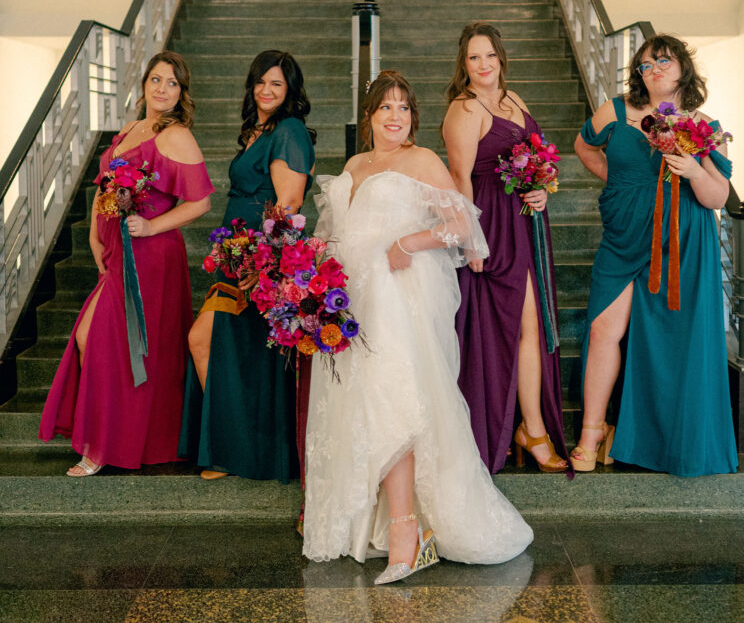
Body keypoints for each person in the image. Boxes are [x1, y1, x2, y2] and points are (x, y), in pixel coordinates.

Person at [303, 70, 533, 581]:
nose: (394, 116)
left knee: (394, 401)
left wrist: (409, 244)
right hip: (350, 303)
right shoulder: (358, 163)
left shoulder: (422, 160)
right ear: (369, 116)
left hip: (395, 299)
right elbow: (336, 230)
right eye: (385, 107)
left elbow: (463, 224)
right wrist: (311, 266)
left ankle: (408, 530)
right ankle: (382, 520)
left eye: (403, 108)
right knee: (361, 404)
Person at [39, 51, 214, 475]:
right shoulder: (132, 129)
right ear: (144, 85)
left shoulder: (176, 136)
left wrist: (152, 228)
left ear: (181, 92)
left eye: (172, 83)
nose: (162, 88)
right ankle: (120, 438)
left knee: (96, 338)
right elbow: (107, 188)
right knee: (105, 341)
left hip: (151, 257)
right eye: (156, 79)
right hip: (118, 253)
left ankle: (101, 447)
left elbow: (201, 201)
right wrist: (93, 235)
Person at [571, 34, 737, 476]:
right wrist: (618, 182)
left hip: (680, 242)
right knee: (604, 326)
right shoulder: (617, 110)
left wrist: (693, 168)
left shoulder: (706, 126)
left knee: (673, 342)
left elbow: (717, 196)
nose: (653, 69)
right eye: (645, 65)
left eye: (662, 61)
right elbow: (583, 146)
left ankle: (666, 441)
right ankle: (592, 431)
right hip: (624, 235)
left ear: (683, 67)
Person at [179, 50, 316, 482]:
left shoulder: (289, 131)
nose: (266, 90)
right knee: (230, 350)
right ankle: (236, 446)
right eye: (260, 81)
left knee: (206, 340)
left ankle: (237, 448)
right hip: (237, 256)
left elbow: (288, 204)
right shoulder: (260, 131)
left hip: (256, 261)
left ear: (290, 90)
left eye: (277, 83)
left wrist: (264, 263)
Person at [442, 23, 568, 474]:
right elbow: (458, 179)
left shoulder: (513, 100)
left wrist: (542, 190)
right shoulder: (463, 109)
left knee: (531, 326)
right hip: (490, 226)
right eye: (474, 58)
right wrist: (471, 241)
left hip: (526, 223)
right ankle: (525, 429)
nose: (484, 65)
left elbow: (537, 159)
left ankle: (531, 426)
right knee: (513, 326)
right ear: (464, 64)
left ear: (501, 58)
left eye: (490, 55)